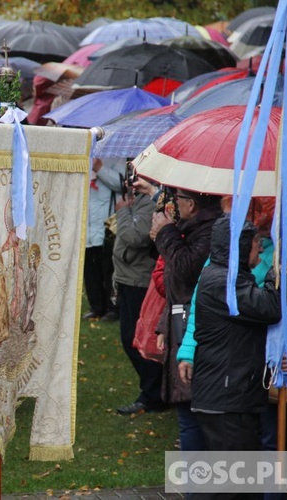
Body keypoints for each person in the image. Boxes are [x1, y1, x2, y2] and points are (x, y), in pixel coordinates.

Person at [190, 216, 282, 451]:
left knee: (237, 481)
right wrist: (276, 271)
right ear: (240, 246)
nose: (260, 248)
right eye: (255, 243)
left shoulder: (227, 277)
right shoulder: (224, 283)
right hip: (227, 399)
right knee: (232, 483)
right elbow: (270, 308)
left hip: (230, 395)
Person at [150, 188, 222, 452]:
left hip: (197, 331)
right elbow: (175, 283)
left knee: (196, 415)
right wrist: (162, 324)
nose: (175, 204)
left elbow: (187, 269)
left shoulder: (210, 230)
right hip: (183, 325)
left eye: (179, 199)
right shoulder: (193, 227)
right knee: (189, 415)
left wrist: (166, 233)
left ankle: (202, 488)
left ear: (191, 204)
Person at [113, 171, 164, 414]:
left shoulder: (149, 202)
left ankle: (153, 394)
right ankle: (155, 391)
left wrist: (123, 210)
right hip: (128, 277)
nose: (129, 178)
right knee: (130, 338)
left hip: (139, 280)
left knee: (136, 339)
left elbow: (134, 237)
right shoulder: (140, 200)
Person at [82, 158, 124, 321]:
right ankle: (96, 306)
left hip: (107, 226)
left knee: (109, 269)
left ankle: (112, 307)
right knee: (91, 270)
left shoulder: (116, 157)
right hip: (88, 225)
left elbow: (121, 183)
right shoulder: (86, 155)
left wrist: (100, 168)